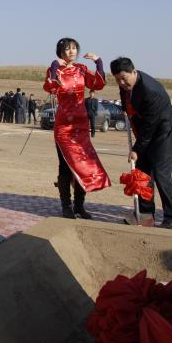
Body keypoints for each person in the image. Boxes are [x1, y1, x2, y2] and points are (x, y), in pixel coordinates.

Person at [44, 38, 110, 219]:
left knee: (83, 164)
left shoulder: (81, 69)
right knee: (65, 166)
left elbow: (97, 84)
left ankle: (79, 205)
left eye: (74, 48)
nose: (71, 51)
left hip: (80, 124)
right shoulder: (55, 69)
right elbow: (50, 86)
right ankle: (66, 205)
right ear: (60, 52)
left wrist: (98, 62)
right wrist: (55, 66)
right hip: (64, 125)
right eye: (67, 49)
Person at [111, 57, 172, 229]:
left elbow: (150, 126)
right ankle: (145, 214)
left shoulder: (151, 92)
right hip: (147, 135)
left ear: (134, 72)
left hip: (163, 136)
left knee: (161, 175)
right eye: (117, 79)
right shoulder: (126, 86)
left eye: (124, 78)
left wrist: (136, 149)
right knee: (142, 175)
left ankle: (171, 218)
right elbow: (127, 101)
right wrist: (126, 110)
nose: (121, 83)